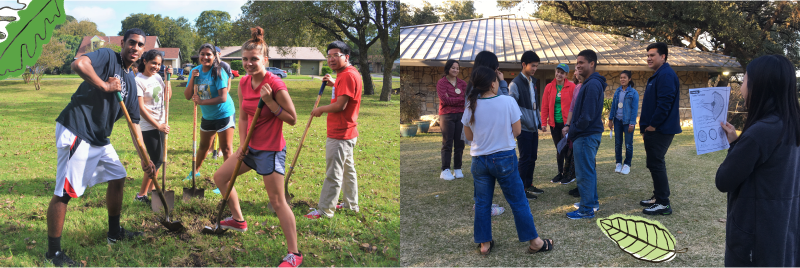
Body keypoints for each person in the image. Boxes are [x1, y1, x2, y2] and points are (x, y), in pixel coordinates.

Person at [46, 28, 152, 267]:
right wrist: (104, 86)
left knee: (118, 176)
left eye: (140, 45)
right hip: (78, 129)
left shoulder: (131, 81)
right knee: (65, 192)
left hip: (99, 138)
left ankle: (114, 233)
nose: (135, 47)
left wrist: (145, 158)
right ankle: (53, 253)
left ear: (143, 50)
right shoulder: (107, 56)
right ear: (123, 43)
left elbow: (135, 124)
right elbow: (79, 64)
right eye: (131, 42)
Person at [211, 27, 303, 267]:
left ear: (265, 60)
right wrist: (242, 144)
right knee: (221, 177)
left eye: (254, 59)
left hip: (271, 150)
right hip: (249, 148)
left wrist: (271, 102)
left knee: (277, 200)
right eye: (245, 59)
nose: (249, 63)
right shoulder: (243, 82)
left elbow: (292, 119)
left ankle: (294, 253)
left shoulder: (275, 83)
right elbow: (242, 116)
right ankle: (239, 220)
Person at [716, 54, 800, 267]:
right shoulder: (790, 125)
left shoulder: (761, 131)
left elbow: (724, 180)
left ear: (759, 85)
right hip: (784, 225)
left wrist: (738, 146)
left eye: (744, 79)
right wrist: (737, 142)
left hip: (755, 232)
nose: (742, 86)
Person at [462, 66, 554, 256]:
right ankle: (535, 242)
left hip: (479, 160)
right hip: (504, 157)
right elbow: (517, 131)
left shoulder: (471, 104)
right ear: (493, 83)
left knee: (482, 203)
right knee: (518, 201)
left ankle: (484, 243)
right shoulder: (507, 101)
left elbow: (469, 135)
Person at [305, 41, 363, 219]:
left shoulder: (346, 76)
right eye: (329, 55)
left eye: (336, 55)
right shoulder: (349, 74)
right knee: (348, 171)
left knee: (334, 173)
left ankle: (325, 211)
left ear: (346, 57)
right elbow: (344, 91)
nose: (331, 59)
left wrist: (320, 109)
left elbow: (340, 105)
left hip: (340, 133)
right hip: (348, 131)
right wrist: (334, 83)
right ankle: (351, 204)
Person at [638, 42, 681, 215]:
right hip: (655, 129)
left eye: (652, 55)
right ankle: (658, 197)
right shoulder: (659, 74)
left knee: (656, 163)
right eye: (647, 55)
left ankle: (663, 203)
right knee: (654, 163)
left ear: (663, 57)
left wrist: (653, 125)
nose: (648, 58)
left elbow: (665, 103)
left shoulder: (666, 75)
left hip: (660, 130)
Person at [184, 43, 235, 184]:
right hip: (208, 116)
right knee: (203, 146)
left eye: (208, 54)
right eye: (202, 54)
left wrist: (201, 102)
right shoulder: (195, 71)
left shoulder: (218, 72)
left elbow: (223, 97)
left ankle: (226, 181)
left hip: (224, 113)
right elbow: (187, 96)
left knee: (226, 149)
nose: (205, 57)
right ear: (198, 55)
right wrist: (192, 79)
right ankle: (194, 172)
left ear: (214, 57)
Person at [566, 49, 606, 219]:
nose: (578, 66)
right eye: (577, 63)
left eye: (581, 62)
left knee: (583, 173)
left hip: (586, 135)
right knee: (588, 170)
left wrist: (572, 131)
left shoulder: (592, 85)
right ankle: (591, 202)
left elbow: (586, 116)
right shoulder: (591, 83)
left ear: (592, 64)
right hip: (587, 134)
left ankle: (586, 208)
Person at [133, 49, 172, 205]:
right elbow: (141, 109)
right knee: (155, 160)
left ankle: (151, 191)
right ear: (145, 62)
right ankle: (141, 194)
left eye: (159, 64)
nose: (156, 67)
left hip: (161, 123)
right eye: (153, 63)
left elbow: (166, 97)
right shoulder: (138, 81)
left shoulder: (157, 77)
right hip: (148, 126)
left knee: (159, 159)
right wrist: (158, 125)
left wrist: (168, 80)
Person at [508, 51, 544, 199]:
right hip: (523, 128)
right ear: (524, 65)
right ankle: (521, 189)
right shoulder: (515, 84)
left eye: (536, 66)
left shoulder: (532, 82)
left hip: (533, 127)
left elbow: (534, 106)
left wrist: (539, 121)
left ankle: (528, 185)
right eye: (533, 66)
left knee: (532, 157)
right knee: (524, 158)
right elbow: (511, 106)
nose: (535, 69)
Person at [541, 63, 575, 184]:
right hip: (554, 124)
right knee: (559, 149)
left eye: (562, 73)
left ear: (566, 75)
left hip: (567, 125)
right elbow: (544, 105)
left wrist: (571, 123)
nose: (559, 74)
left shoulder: (572, 87)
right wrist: (543, 122)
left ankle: (568, 174)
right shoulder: (549, 87)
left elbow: (574, 106)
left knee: (567, 149)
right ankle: (560, 173)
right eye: (558, 71)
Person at [436, 59, 467, 181]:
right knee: (447, 143)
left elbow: (466, 98)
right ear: (448, 68)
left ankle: (458, 168)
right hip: (446, 115)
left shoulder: (463, 84)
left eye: (457, 68)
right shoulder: (441, 83)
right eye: (453, 68)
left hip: (461, 115)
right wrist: (460, 99)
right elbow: (445, 100)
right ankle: (445, 170)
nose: (456, 70)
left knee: (460, 143)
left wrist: (454, 99)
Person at [608, 71, 639, 175]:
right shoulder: (617, 91)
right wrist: (610, 119)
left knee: (628, 144)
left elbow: (634, 110)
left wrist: (632, 123)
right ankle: (618, 163)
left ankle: (627, 165)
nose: (622, 79)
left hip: (627, 122)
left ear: (629, 79)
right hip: (617, 121)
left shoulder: (633, 93)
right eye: (621, 78)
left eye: (624, 78)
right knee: (618, 144)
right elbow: (613, 106)